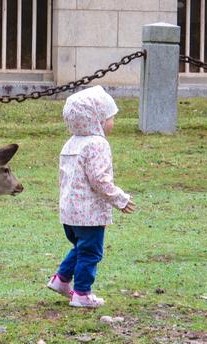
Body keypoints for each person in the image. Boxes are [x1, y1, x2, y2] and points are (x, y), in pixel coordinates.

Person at [47, 85, 136, 308]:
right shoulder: (97, 144)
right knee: (91, 253)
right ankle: (82, 294)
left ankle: (61, 280)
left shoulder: (72, 142)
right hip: (89, 214)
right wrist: (120, 199)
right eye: (109, 118)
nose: (112, 122)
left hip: (69, 213)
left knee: (81, 247)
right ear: (95, 119)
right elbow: (99, 180)